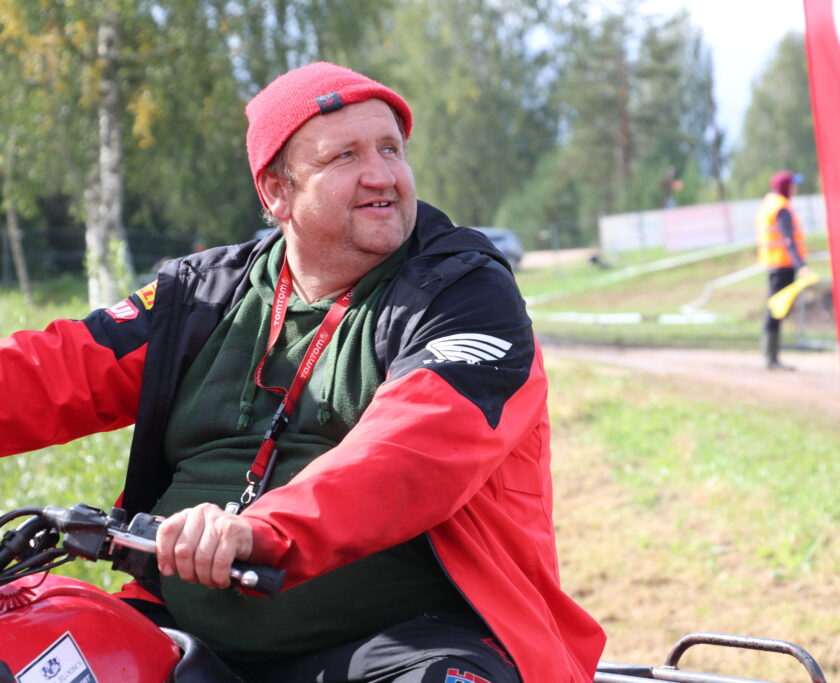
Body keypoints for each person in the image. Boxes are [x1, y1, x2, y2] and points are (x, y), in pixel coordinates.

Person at [0, 62, 605, 682]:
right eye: (345, 156)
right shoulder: (202, 296)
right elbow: (50, 373)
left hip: (406, 642)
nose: (382, 175)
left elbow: (410, 454)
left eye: (390, 149)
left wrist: (260, 531)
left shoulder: (463, 291)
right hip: (176, 628)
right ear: (276, 193)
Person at [755, 170, 812, 371]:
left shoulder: (769, 204)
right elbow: (789, 241)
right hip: (783, 265)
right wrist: (801, 265)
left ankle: (770, 356)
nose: (795, 188)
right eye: (793, 184)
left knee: (775, 309)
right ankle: (771, 357)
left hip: (774, 264)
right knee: (776, 310)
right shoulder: (781, 207)